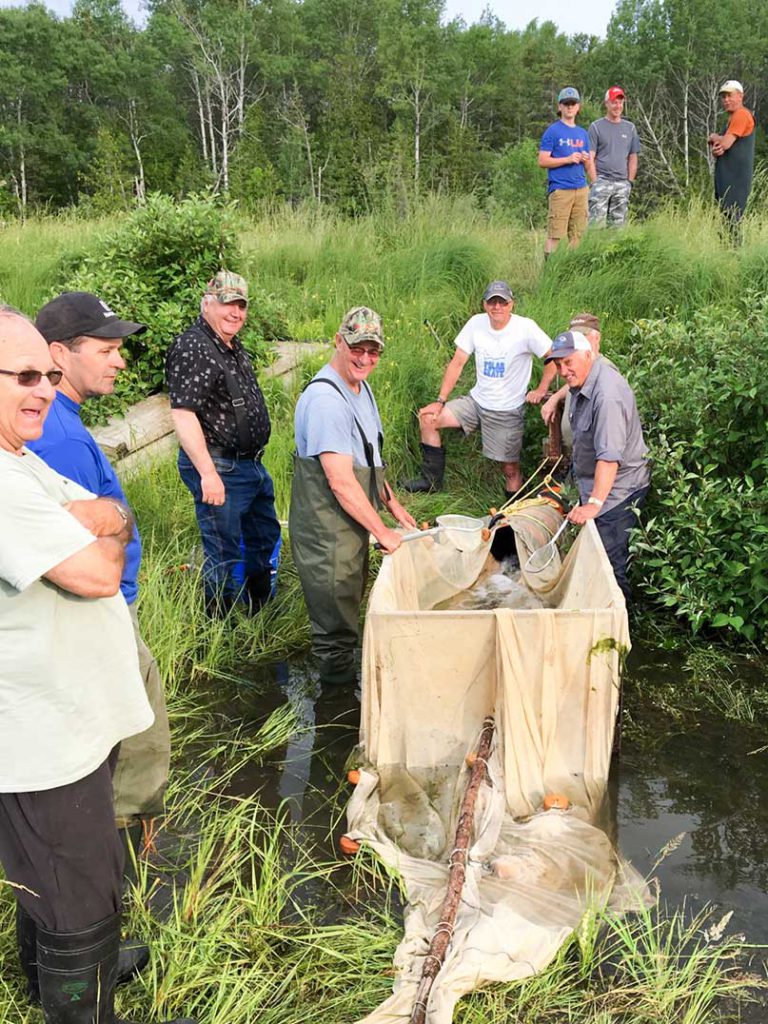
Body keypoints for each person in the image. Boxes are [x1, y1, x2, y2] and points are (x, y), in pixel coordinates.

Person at [0, 307, 193, 1024]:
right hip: (43, 741)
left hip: (69, 723)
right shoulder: (3, 484)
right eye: (23, 376)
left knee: (54, 880)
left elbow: (114, 516)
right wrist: (98, 530)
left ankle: (48, 977)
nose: (42, 391)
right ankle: (84, 1011)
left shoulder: (21, 460)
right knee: (78, 889)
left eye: (46, 377)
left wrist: (100, 524)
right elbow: (98, 572)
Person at [30, 292, 171, 904]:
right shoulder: (54, 435)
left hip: (106, 605)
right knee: (124, 751)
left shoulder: (65, 420)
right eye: (106, 349)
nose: (119, 361)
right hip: (97, 609)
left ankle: (109, 894)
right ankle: (114, 899)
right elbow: (80, 555)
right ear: (59, 353)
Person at [290, 307, 417, 686]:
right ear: (338, 341)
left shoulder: (361, 387)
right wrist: (384, 532)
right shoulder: (328, 400)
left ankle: (347, 684)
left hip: (351, 523)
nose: (365, 358)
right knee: (334, 629)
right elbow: (342, 482)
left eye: (373, 351)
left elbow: (370, 457)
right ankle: (336, 713)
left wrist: (393, 504)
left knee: (350, 604)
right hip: (327, 531)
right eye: (356, 348)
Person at [165, 270, 281, 617]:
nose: (236, 313)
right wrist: (208, 474)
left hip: (249, 465)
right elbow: (183, 414)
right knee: (224, 550)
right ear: (207, 304)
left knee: (264, 535)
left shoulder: (229, 344)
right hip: (219, 466)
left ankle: (259, 611)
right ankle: (220, 627)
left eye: (241, 306)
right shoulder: (193, 345)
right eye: (227, 303)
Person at [403, 281, 556, 499]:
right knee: (428, 418)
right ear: (484, 305)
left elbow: (552, 358)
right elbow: (457, 362)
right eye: (492, 302)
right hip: (476, 401)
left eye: (502, 302)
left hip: (506, 409)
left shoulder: (526, 328)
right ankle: (431, 481)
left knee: (510, 469)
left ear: (511, 304)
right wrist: (440, 400)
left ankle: (511, 510)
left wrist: (542, 389)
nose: (497, 307)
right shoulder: (476, 323)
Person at [544, 330, 651, 603]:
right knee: (591, 555)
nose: (564, 371)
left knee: (609, 566)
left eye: (569, 362)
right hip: (592, 482)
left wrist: (593, 504)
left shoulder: (607, 396)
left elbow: (609, 458)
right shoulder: (582, 381)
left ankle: (618, 632)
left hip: (617, 490)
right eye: (558, 365)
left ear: (589, 354)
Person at [540, 312, 617, 452]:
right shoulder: (579, 370)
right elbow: (571, 382)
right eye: (575, 336)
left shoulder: (605, 369)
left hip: (594, 456)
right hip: (576, 455)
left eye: (583, 335)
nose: (579, 340)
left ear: (597, 337)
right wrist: (555, 397)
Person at [538, 87, 591, 257]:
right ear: (559, 107)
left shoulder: (582, 133)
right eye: (566, 104)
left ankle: (571, 273)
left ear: (578, 107)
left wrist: (585, 159)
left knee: (577, 236)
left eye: (573, 103)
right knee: (555, 235)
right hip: (561, 190)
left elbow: (589, 163)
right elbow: (542, 160)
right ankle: (549, 274)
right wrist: (567, 159)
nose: (569, 107)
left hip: (581, 188)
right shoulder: (553, 131)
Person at [588, 86, 641, 228]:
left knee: (617, 230)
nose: (617, 106)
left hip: (622, 184)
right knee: (596, 228)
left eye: (620, 103)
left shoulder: (630, 128)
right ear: (607, 103)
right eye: (614, 102)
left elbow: (633, 157)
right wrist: (594, 182)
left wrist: (629, 181)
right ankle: (594, 250)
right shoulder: (596, 127)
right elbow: (589, 157)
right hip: (602, 182)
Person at [708, 80, 755, 236]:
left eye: (730, 95)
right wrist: (718, 147)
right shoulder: (732, 118)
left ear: (740, 96)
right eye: (723, 97)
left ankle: (736, 256)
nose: (726, 100)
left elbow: (726, 143)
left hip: (736, 181)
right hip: (729, 180)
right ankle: (730, 255)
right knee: (727, 222)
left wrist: (715, 137)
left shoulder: (741, 114)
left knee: (733, 221)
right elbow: (722, 148)